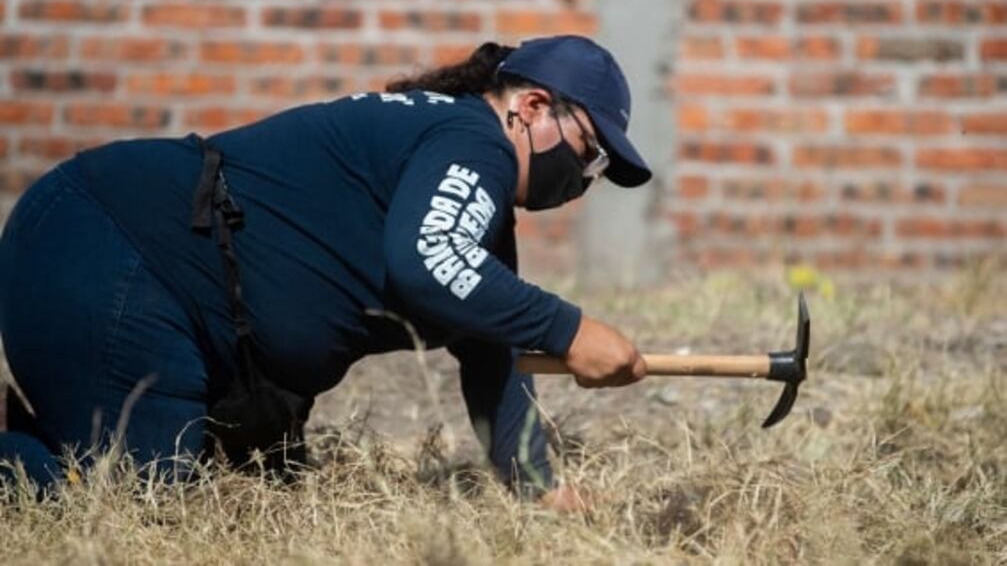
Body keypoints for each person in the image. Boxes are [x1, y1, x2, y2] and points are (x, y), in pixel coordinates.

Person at [0, 35, 650, 502]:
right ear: (532, 107)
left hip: (122, 263)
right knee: (140, 505)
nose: (584, 178)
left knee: (242, 494)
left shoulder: (464, 172)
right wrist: (568, 329)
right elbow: (428, 265)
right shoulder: (472, 140)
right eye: (588, 152)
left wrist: (538, 487)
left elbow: (490, 343)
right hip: (107, 246)